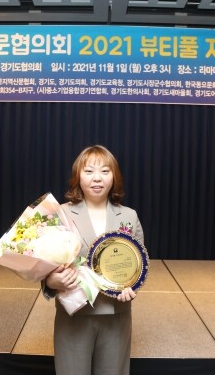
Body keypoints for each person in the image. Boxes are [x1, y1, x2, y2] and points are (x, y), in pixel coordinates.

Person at [43, 145, 145, 375]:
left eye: (105, 171)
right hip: (74, 314)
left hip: (116, 315)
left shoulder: (129, 216)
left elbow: (138, 264)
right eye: (89, 171)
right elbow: (44, 264)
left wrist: (132, 286)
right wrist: (51, 282)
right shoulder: (60, 213)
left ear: (114, 177)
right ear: (77, 176)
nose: (97, 178)